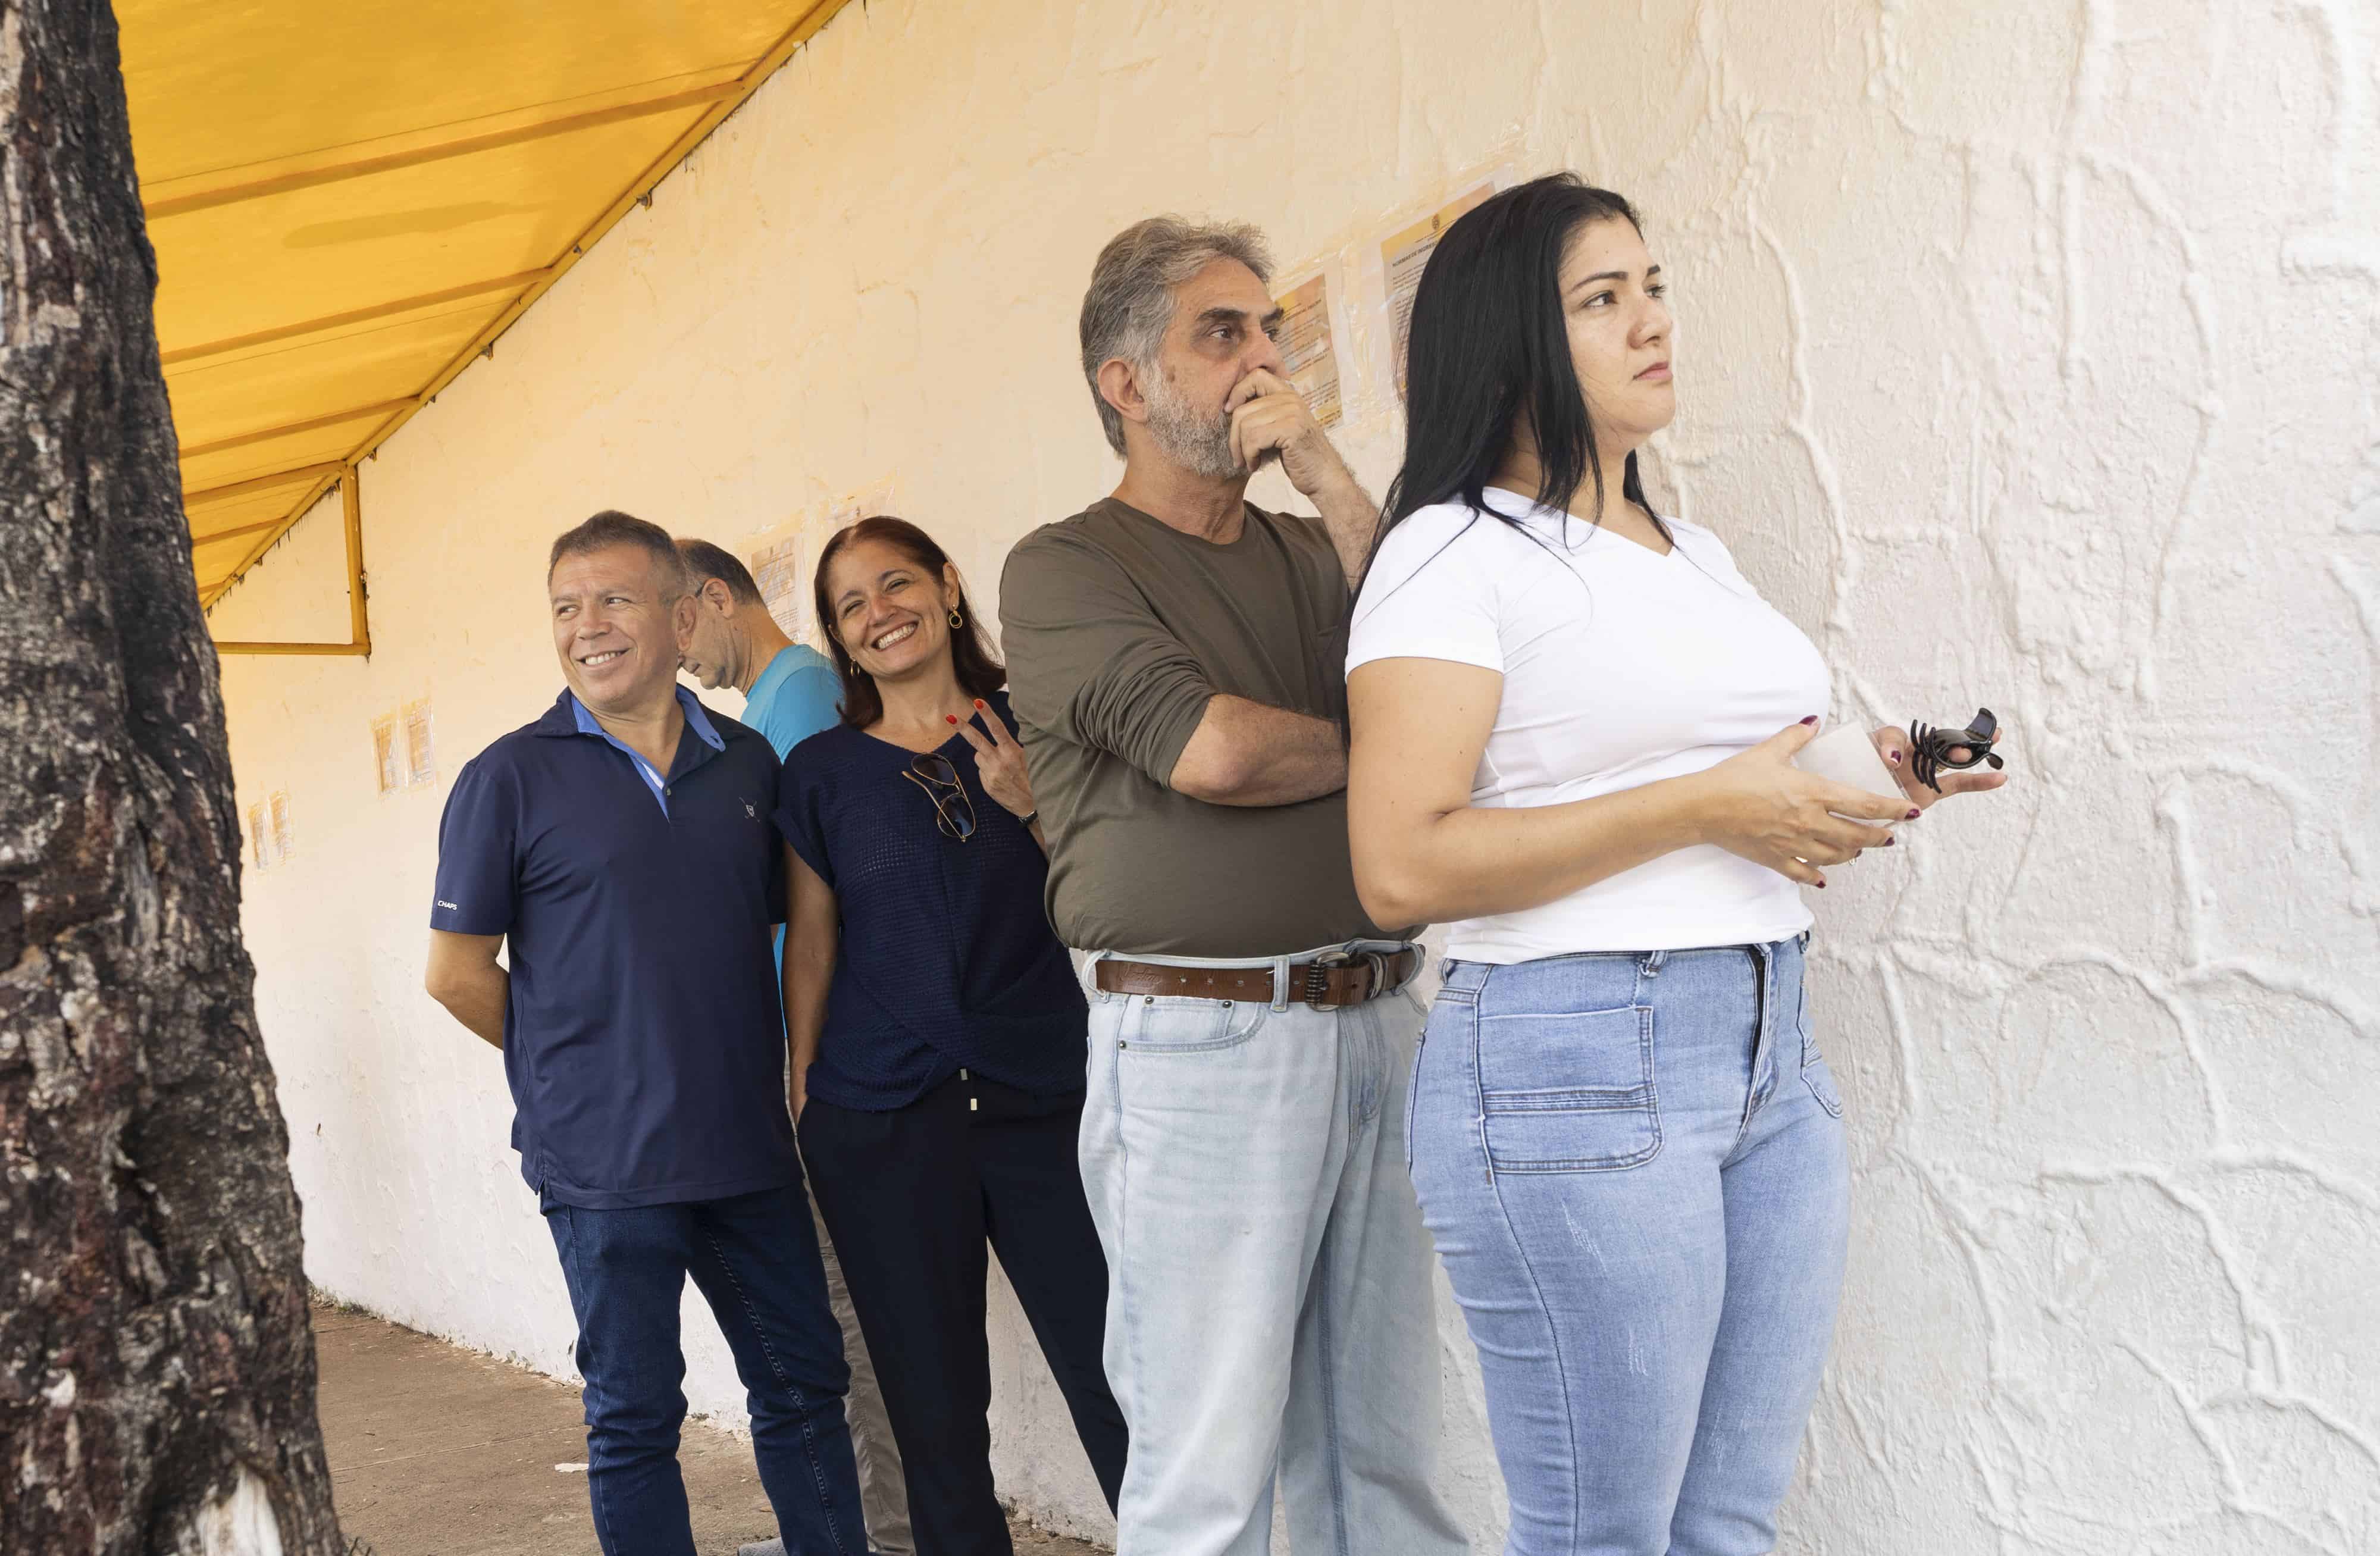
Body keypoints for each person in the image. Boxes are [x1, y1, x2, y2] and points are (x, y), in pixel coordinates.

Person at [1344, 174, 2007, 1555]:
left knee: (1723, 1525)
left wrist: (1850, 779)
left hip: (1765, 1049)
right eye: (1600, 298)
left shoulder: (1688, 549)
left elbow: (1714, 778)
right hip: (1569, 1065)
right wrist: (1708, 805)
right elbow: (1398, 870)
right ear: (1510, 338)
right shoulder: (1447, 553)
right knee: (1605, 1537)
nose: (1650, 320)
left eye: (1651, 286)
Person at [999, 218, 1468, 1556]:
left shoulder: (1308, 553)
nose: (1263, 358)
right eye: (1223, 332)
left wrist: (1327, 477)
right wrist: (1377, 751)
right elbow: (1213, 751)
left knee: (1382, 1460)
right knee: (1208, 1476)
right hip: (1203, 1040)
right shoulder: (1064, 568)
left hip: (1379, 1017)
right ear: (1124, 382)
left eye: (1269, 330)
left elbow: (1439, 667)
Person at [424, 510, 867, 1556]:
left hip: (748, 1153)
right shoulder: (509, 777)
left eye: (615, 600)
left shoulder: (752, 765)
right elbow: (453, 975)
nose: (590, 628)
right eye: (567, 609)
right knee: (635, 1421)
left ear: (681, 617)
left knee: (805, 1389)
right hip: (603, 1169)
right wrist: (579, 1064)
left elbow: (795, 929)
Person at [777, 516, 1129, 1556]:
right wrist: (805, 1084)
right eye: (852, 604)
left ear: (946, 586)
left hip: (1047, 1100)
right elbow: (814, 938)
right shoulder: (823, 772)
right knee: (935, 1426)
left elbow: (1114, 890)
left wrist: (1035, 809)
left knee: (1121, 1385)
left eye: (896, 584)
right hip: (883, 1117)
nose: (880, 612)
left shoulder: (1037, 722)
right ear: (841, 640)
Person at [677, 538, 913, 1556]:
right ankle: (866, 1527)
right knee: (838, 1319)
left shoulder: (802, 694)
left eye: (679, 625)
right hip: (798, 1061)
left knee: (853, 1323)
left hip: (832, 1065)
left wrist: (811, 1063)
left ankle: (886, 1535)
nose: (679, 660)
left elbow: (842, 901)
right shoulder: (773, 703)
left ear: (716, 597)